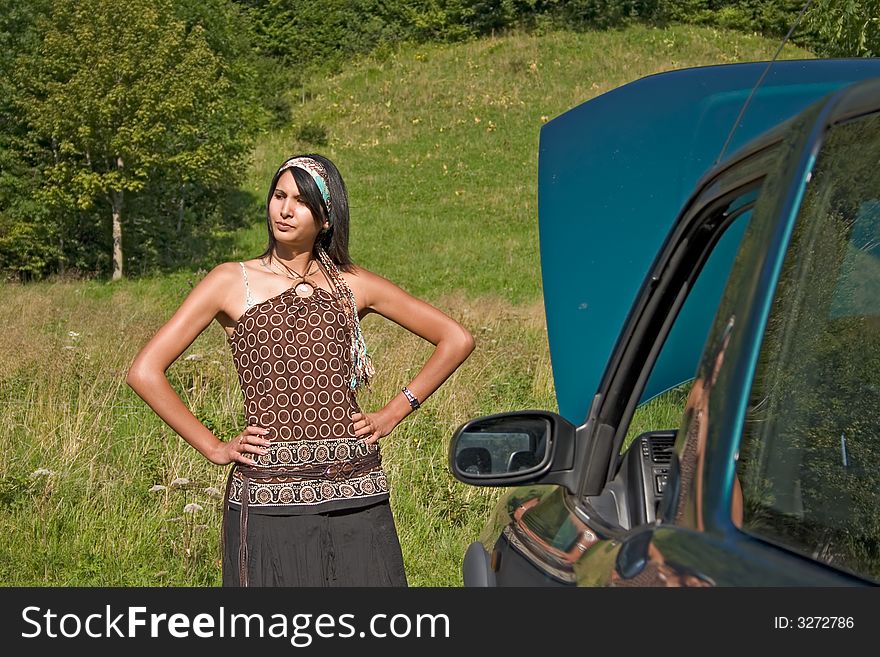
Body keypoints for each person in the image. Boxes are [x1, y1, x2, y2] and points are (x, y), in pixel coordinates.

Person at [127, 154, 475, 586]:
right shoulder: (231, 281)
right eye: (279, 196)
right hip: (269, 503)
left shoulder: (352, 284)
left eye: (301, 201)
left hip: (357, 498)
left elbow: (455, 339)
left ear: (327, 219)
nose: (285, 210)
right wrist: (214, 447)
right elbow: (145, 371)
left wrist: (392, 413)